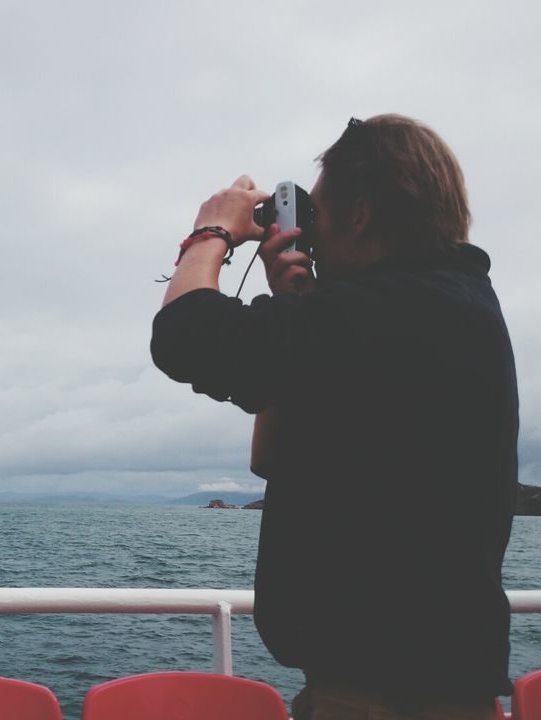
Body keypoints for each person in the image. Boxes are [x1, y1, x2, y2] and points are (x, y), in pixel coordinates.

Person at [150, 115, 518, 720]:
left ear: (360, 214)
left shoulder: (393, 309)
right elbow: (269, 459)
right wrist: (300, 304)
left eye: (315, 217)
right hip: (422, 690)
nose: (309, 237)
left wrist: (210, 231)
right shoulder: (447, 303)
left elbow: (184, 336)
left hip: (385, 699)